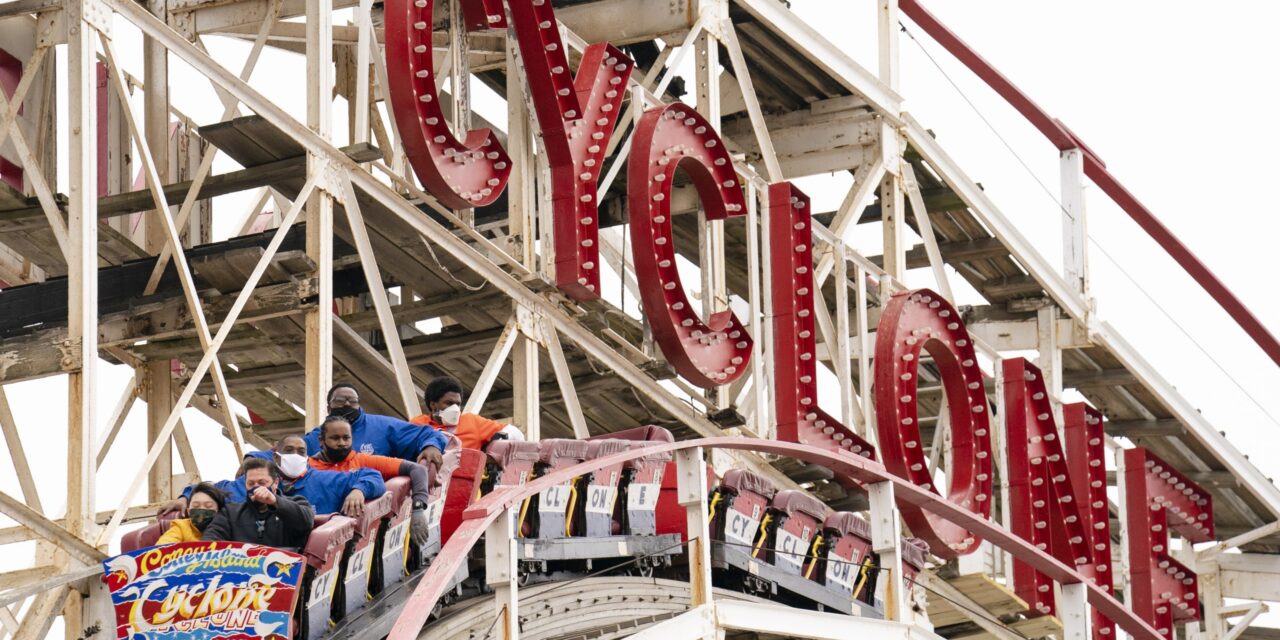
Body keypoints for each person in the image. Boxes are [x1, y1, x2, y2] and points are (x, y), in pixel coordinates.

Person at [165, 435, 386, 517]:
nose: (296, 456)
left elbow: (372, 476)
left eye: (302, 452)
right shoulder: (243, 486)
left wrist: (359, 490)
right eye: (289, 451)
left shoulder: (324, 479)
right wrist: (184, 498)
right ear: (276, 456)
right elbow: (207, 488)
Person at [309, 415, 431, 546]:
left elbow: (417, 469)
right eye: (335, 438)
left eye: (346, 438)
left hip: (354, 539)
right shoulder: (307, 468)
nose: (341, 443)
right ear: (321, 440)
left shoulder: (363, 461)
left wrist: (418, 509)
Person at [303, 383, 446, 468]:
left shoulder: (384, 426)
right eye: (340, 400)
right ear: (329, 408)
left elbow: (428, 434)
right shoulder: (313, 438)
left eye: (352, 400)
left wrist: (432, 446)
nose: (347, 404)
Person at [202, 457, 314, 551]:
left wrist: (275, 501)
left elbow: (306, 522)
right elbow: (210, 539)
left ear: (275, 483)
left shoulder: (297, 502)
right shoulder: (230, 513)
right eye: (251, 483)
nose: (256, 487)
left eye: (262, 483)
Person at [411, 376, 524, 450]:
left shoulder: (472, 422)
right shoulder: (417, 425)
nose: (455, 408)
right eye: (449, 403)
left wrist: (496, 444)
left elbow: (517, 434)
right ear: (433, 404)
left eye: (458, 404)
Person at [156, 482, 226, 544]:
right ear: (188, 511)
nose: (201, 509)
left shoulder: (226, 528)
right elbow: (163, 546)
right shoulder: (181, 527)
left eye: (208, 506)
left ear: (219, 511)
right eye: (196, 506)